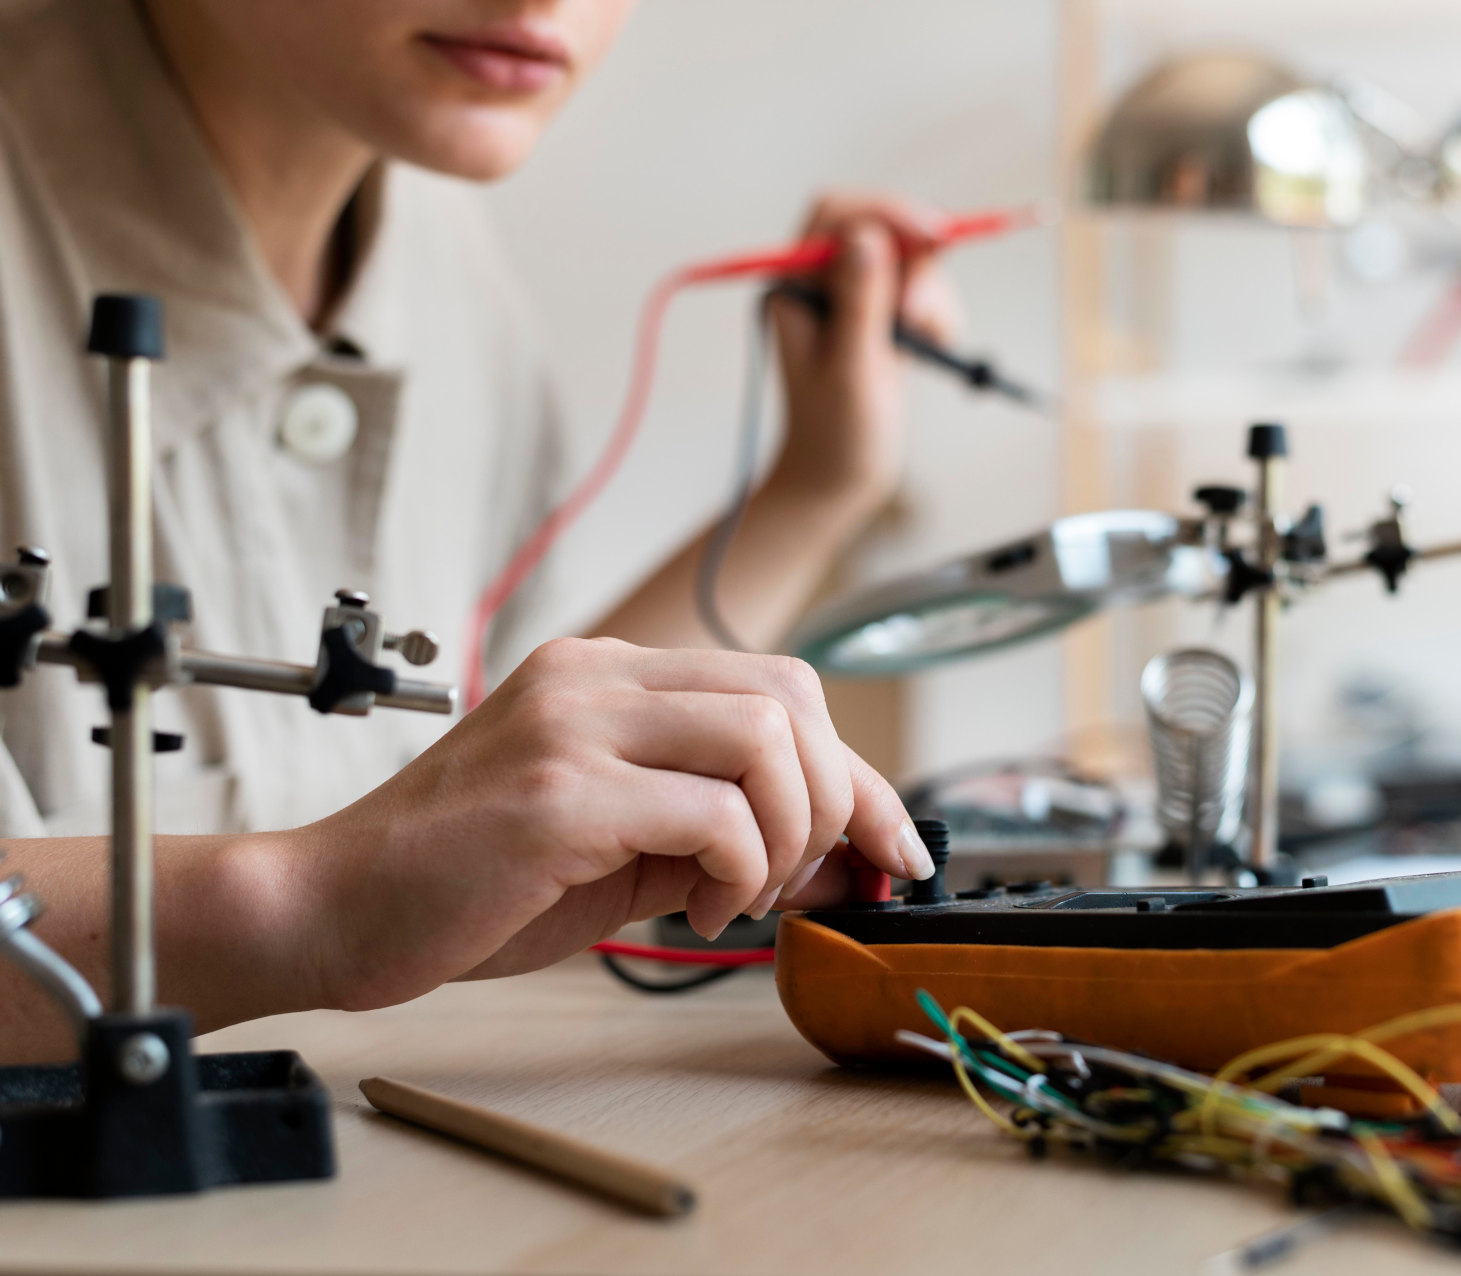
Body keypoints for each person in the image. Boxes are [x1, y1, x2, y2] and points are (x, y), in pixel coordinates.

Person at [0, 0, 957, 1062]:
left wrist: (816, 485)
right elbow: (378, 869)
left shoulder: (441, 262)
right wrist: (311, 903)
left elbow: (496, 778)